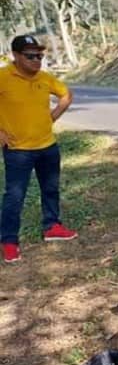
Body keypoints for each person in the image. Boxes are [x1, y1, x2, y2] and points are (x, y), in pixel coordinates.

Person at [0, 35, 77, 263]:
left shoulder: (45, 78)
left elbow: (66, 95)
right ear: (15, 55)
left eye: (40, 56)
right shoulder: (3, 77)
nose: (37, 60)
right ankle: (9, 241)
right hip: (18, 151)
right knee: (14, 197)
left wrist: (50, 118)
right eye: (30, 56)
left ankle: (52, 226)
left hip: (48, 147)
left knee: (51, 189)